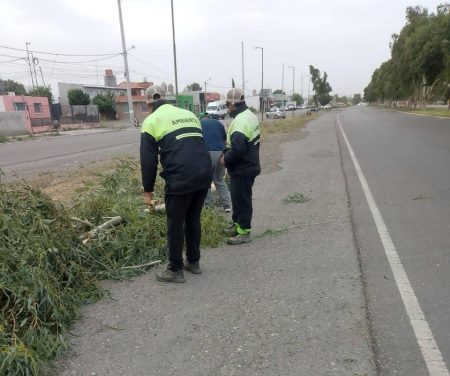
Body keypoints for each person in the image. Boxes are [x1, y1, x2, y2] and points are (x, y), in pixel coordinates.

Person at [140, 85, 212, 283]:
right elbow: (196, 145)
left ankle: (175, 269)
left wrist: (148, 191)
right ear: (166, 99)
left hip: (180, 177)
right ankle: (194, 262)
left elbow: (148, 161)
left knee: (175, 223)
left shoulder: (151, 121)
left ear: (148, 104)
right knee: (193, 218)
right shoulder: (188, 114)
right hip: (204, 174)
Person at [221, 88, 261, 245]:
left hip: (243, 168)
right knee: (237, 198)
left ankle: (244, 231)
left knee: (242, 200)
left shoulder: (241, 121)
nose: (226, 108)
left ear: (232, 104)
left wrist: (225, 159)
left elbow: (238, 149)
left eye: (227, 105)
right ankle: (237, 225)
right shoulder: (249, 115)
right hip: (248, 165)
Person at [199, 112, 231, 212]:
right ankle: (227, 205)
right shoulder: (218, 123)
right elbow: (225, 140)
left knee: (205, 180)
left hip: (207, 153)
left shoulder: (199, 124)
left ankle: (209, 206)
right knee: (219, 179)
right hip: (221, 153)